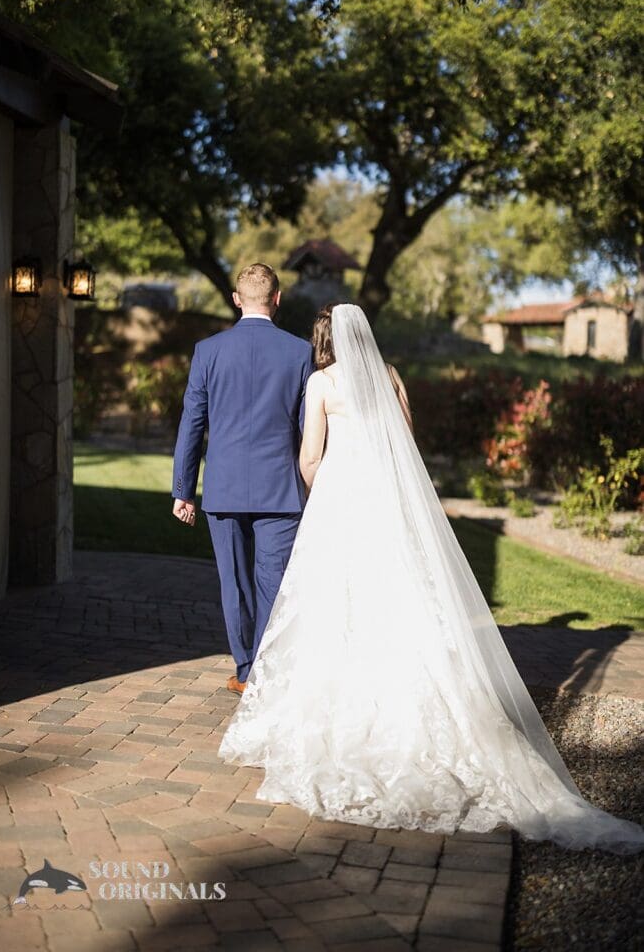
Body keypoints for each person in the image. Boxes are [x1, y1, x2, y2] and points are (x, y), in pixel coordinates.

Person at [218, 302, 644, 854]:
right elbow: (406, 445)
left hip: (340, 510)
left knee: (336, 608)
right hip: (386, 507)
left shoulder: (322, 382)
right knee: (399, 602)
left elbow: (309, 458)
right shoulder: (390, 376)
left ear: (330, 338)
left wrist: (324, 492)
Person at [172, 263, 315, 694]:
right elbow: (308, 430)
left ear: (237, 299)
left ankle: (247, 671)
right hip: (281, 489)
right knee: (274, 584)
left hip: (224, 488)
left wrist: (183, 490)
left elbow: (192, 424)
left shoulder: (208, 351)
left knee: (234, 584)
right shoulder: (300, 352)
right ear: (277, 298)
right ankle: (266, 673)